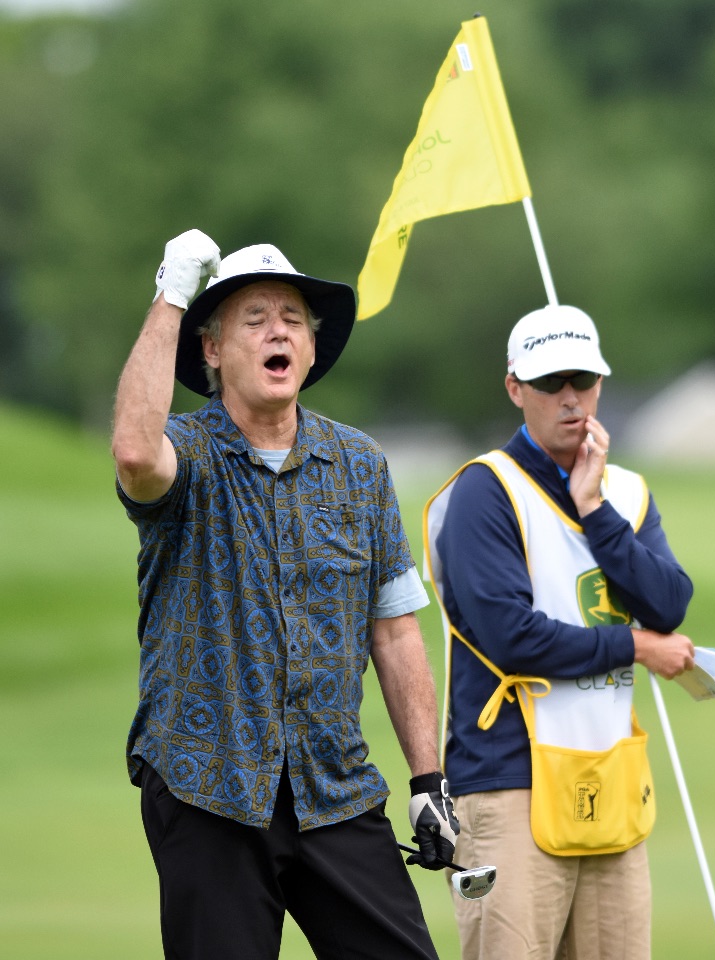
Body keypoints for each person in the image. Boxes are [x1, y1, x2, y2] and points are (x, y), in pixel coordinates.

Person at [111, 229, 459, 960]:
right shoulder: (189, 455)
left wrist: (428, 778)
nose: (278, 331)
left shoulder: (359, 465)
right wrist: (172, 293)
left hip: (333, 786)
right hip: (208, 787)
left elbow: (394, 631)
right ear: (211, 349)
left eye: (292, 319)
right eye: (254, 318)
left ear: (307, 349)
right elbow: (135, 454)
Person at [426, 304, 696, 960]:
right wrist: (632, 645)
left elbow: (667, 604)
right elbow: (512, 636)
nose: (569, 397)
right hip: (503, 785)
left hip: (606, 776)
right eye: (550, 383)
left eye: (582, 378)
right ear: (515, 387)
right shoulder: (482, 491)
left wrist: (594, 510)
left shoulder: (624, 493)